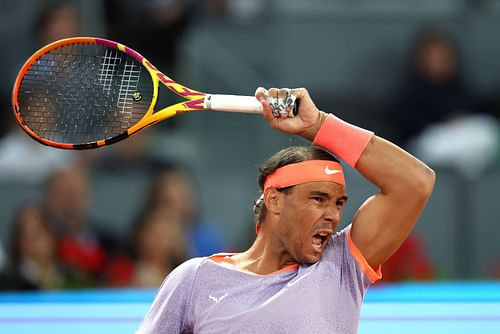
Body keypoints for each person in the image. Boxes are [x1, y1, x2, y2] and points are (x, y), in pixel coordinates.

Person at [136, 87, 436, 333]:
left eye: (339, 203)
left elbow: (416, 182)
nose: (333, 214)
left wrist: (319, 125)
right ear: (274, 200)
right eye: (318, 199)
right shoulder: (194, 280)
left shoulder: (342, 266)